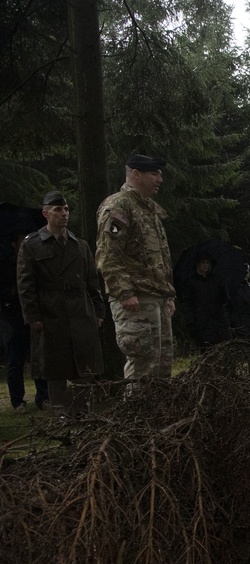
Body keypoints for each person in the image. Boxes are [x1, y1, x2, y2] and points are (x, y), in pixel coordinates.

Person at [17, 191, 104, 414]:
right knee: (56, 369)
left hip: (80, 312)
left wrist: (98, 311)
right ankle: (61, 415)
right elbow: (26, 285)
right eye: (57, 210)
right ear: (45, 213)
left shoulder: (80, 245)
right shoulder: (32, 245)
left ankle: (83, 415)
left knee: (84, 367)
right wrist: (33, 316)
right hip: (50, 312)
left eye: (66, 209)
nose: (64, 214)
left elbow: (92, 281)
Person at [95, 153, 175, 379]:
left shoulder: (150, 209)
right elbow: (108, 254)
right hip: (136, 300)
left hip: (157, 298)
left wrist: (168, 294)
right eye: (154, 174)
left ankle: (160, 415)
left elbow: (160, 256)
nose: (160, 179)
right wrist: (125, 292)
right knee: (143, 368)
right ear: (136, 174)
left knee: (162, 368)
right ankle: (137, 415)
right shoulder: (118, 206)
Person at [1, 226, 48, 412]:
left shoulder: (34, 261)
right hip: (11, 317)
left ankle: (43, 396)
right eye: (21, 240)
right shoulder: (5, 264)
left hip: (34, 314)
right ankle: (17, 400)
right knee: (15, 359)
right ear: (14, 243)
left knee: (39, 356)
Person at [179, 251, 231, 350]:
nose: (205, 266)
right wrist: (191, 321)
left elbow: (224, 300)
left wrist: (223, 290)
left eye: (207, 263)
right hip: (202, 321)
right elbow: (187, 303)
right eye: (203, 263)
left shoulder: (215, 279)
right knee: (206, 349)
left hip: (219, 320)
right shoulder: (191, 282)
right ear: (197, 264)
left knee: (223, 348)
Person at [229, 263, 250, 342]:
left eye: (247, 272)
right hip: (240, 324)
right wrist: (235, 325)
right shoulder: (233, 288)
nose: (245, 274)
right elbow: (229, 308)